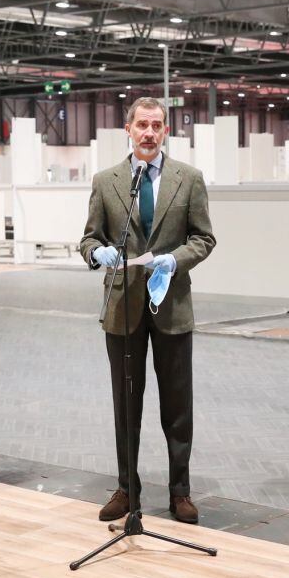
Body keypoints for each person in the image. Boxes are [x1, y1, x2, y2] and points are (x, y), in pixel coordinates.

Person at [80, 96, 216, 524]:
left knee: (177, 406)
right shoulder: (107, 181)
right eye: (142, 124)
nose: (149, 132)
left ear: (166, 130)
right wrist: (98, 252)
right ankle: (127, 489)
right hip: (123, 308)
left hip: (172, 304)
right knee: (126, 404)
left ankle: (180, 492)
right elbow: (88, 239)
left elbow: (204, 239)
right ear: (128, 128)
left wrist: (174, 260)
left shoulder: (188, 179)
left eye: (157, 125)